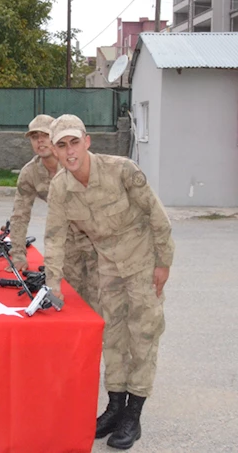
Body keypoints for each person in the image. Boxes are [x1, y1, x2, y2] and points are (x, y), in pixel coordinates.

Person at [43, 114, 175, 451]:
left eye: (74, 142)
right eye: (62, 145)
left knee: (143, 334)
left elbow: (158, 217)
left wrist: (164, 263)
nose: (69, 151)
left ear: (87, 142)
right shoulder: (60, 187)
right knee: (112, 335)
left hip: (142, 260)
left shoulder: (122, 170)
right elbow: (55, 239)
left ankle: (134, 413)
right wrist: (53, 284)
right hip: (109, 267)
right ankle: (115, 407)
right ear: (55, 152)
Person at [7, 115, 99, 311]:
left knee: (99, 296)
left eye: (45, 135)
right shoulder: (30, 173)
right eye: (34, 137)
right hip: (66, 241)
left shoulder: (75, 162)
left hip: (95, 238)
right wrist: (18, 253)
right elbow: (20, 215)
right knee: (72, 297)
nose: (40, 141)